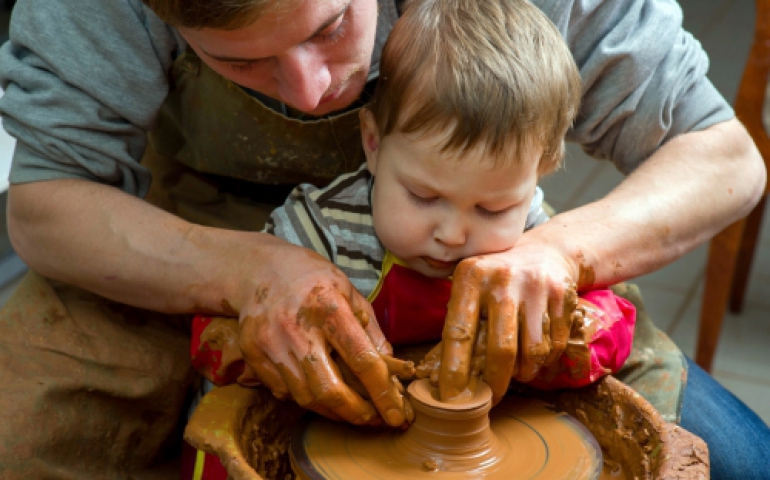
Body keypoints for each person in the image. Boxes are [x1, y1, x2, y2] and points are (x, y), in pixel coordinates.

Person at [0, 0, 766, 479]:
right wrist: (244, 273)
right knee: (24, 443)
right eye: (241, 61)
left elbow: (725, 159)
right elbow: (44, 202)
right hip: (178, 242)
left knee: (738, 462)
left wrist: (556, 252)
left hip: (498, 257)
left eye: (331, 28)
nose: (311, 92)